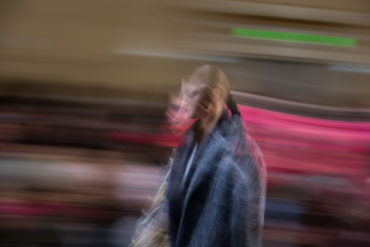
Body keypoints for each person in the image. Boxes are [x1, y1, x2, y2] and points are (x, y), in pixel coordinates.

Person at [132, 64, 266, 247]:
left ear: (213, 96)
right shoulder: (187, 146)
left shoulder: (239, 155)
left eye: (191, 94)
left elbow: (246, 233)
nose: (184, 101)